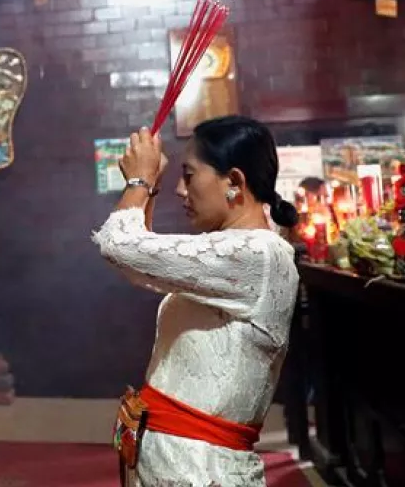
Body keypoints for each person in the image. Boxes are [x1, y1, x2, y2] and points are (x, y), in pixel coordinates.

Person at [93, 116, 299, 487]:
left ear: (234, 182)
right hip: (179, 459)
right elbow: (141, 264)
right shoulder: (235, 250)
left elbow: (120, 246)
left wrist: (138, 181)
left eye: (189, 176)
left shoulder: (258, 252)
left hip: (199, 469)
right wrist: (148, 189)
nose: (180, 189)